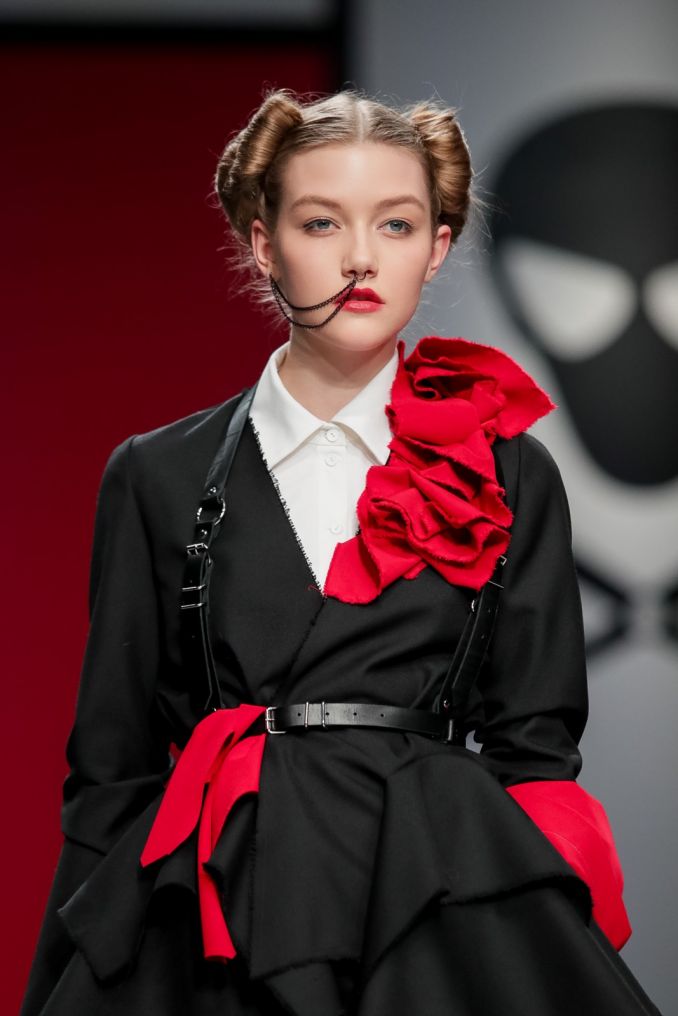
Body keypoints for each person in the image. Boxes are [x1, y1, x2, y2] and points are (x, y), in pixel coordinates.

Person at [20, 87, 662, 1016]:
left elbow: (535, 751)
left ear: (436, 247)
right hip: (228, 908)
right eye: (321, 222)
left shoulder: (510, 472)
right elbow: (111, 771)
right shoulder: (158, 475)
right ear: (263, 242)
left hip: (432, 900)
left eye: (396, 224)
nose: (361, 257)